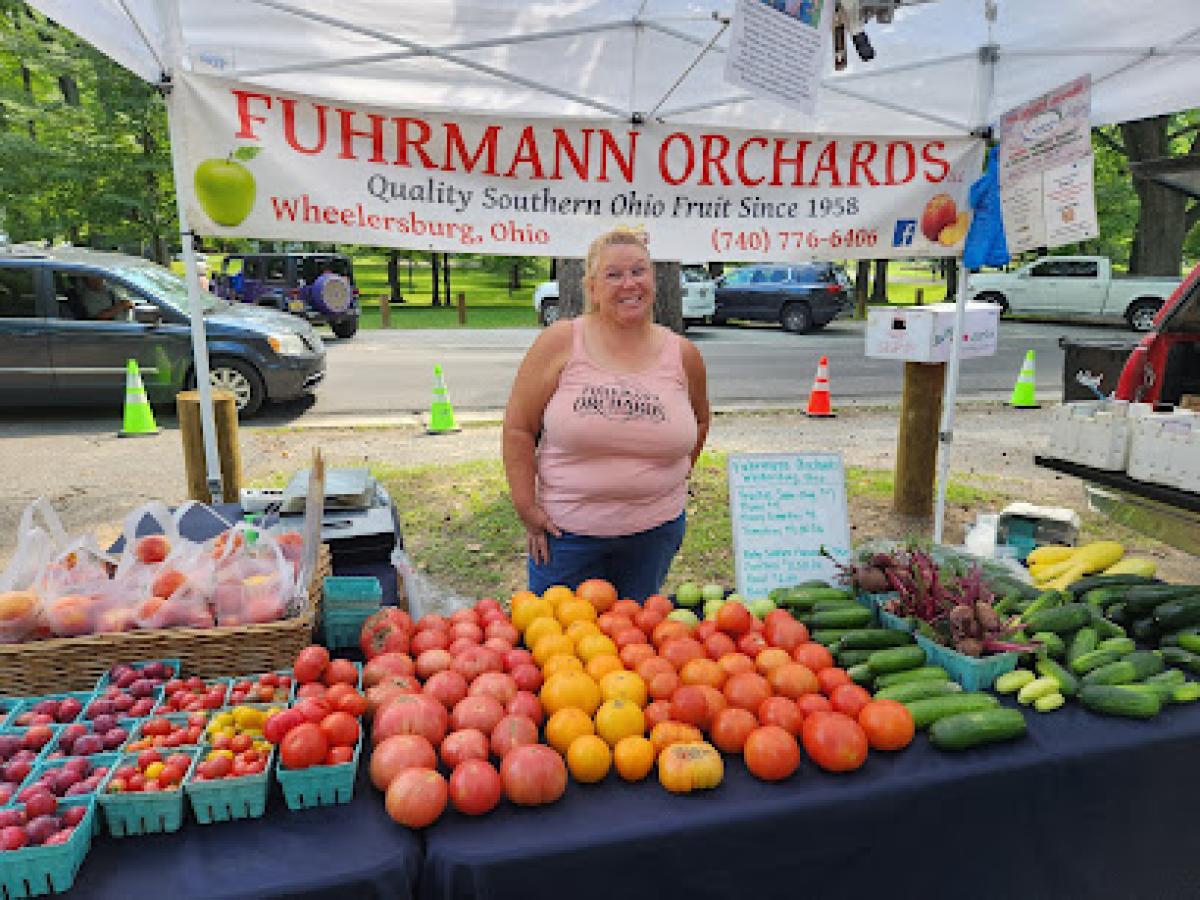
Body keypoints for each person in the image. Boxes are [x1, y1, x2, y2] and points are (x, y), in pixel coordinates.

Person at [502, 228, 711, 602]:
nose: (629, 283)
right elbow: (519, 428)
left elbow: (700, 421)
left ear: (654, 280)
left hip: (655, 533)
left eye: (639, 271)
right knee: (559, 648)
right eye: (613, 275)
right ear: (592, 288)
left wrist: (668, 480)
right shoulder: (561, 342)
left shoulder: (683, 354)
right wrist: (526, 506)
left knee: (634, 645)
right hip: (567, 537)